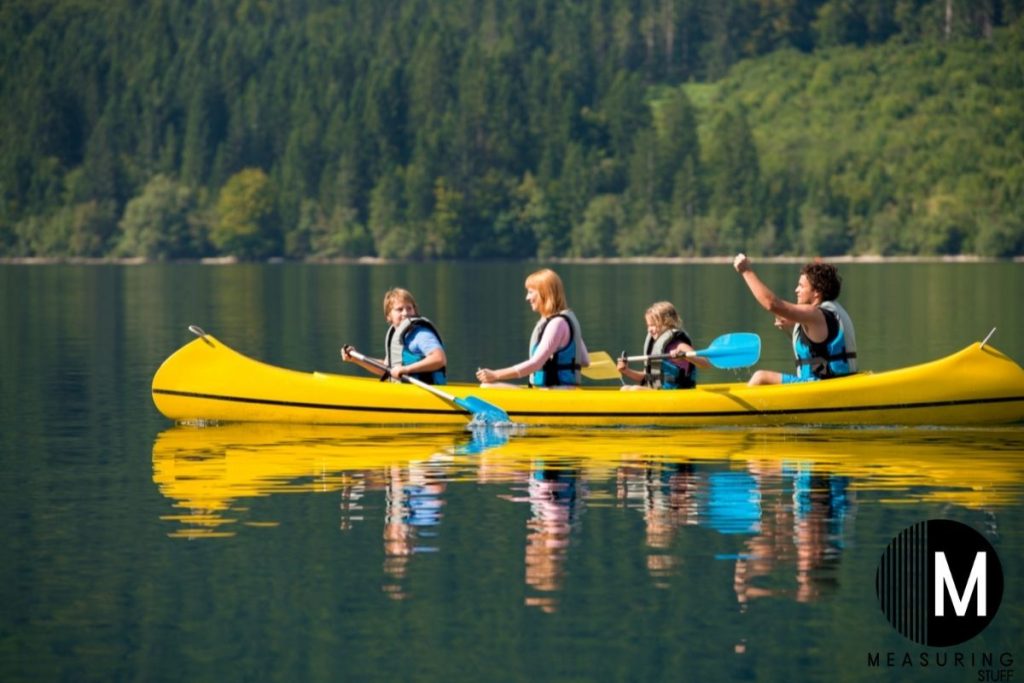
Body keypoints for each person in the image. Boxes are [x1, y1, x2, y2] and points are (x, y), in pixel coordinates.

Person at [733, 253, 857, 386]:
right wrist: (793, 328)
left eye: (801, 286)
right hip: (837, 384)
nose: (796, 290)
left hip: (820, 387)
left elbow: (772, 304)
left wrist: (746, 270)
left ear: (817, 292)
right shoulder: (831, 312)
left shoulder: (815, 314)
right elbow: (817, 352)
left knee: (760, 377)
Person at [475, 268, 590, 388]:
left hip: (555, 394)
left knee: (486, 387)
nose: (527, 298)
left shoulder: (557, 324)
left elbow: (535, 364)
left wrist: (495, 374)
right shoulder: (565, 321)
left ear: (544, 293)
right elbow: (584, 360)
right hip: (559, 390)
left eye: (530, 292)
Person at [341, 287, 448, 384]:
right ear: (388, 316)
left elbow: (439, 359)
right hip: (407, 392)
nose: (405, 313)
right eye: (399, 309)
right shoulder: (397, 336)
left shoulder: (421, 334)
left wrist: (406, 369)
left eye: (409, 308)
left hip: (427, 394)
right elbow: (387, 367)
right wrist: (355, 359)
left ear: (415, 311)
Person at [615, 301, 710, 391]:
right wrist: (626, 371)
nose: (649, 330)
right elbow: (647, 377)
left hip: (677, 393)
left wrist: (686, 356)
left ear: (668, 323)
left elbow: (705, 363)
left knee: (635, 390)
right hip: (658, 393)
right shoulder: (655, 345)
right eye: (648, 326)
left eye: (653, 325)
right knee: (625, 389)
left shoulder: (679, 345)